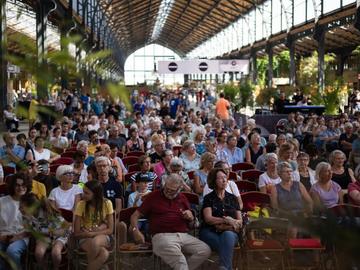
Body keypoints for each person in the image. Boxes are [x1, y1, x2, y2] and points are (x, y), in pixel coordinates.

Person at [130, 173, 211, 270]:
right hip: (161, 236)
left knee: (205, 250)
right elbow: (134, 216)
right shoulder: (153, 196)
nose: (167, 192)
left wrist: (191, 217)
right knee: (180, 261)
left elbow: (192, 224)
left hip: (183, 235)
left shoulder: (182, 198)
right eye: (166, 188)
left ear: (179, 189)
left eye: (172, 191)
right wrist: (135, 230)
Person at [199, 168, 242, 270]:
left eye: (225, 177)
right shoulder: (208, 198)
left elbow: (240, 221)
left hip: (230, 232)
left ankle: (223, 267)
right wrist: (227, 220)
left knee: (227, 236)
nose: (224, 180)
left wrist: (225, 227)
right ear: (214, 181)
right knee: (226, 246)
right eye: (220, 178)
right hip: (210, 231)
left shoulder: (233, 198)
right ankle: (226, 267)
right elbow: (208, 219)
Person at [20, 193, 70, 270]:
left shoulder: (48, 213)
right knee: (39, 253)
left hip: (59, 234)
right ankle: (44, 268)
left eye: (22, 207)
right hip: (44, 235)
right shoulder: (26, 216)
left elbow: (66, 227)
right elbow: (30, 232)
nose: (19, 209)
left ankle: (56, 268)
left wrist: (54, 234)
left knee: (55, 252)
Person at [74, 181, 114, 270]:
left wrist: (91, 234)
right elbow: (76, 233)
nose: (83, 195)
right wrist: (87, 234)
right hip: (85, 237)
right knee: (104, 254)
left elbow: (110, 230)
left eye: (86, 193)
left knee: (95, 242)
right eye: (83, 191)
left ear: (95, 194)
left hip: (102, 235)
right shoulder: (81, 204)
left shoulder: (107, 203)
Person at [270, 162, 313, 237]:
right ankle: (291, 248)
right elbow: (275, 207)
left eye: (290, 171)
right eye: (286, 171)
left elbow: (309, 202)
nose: (289, 173)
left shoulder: (298, 184)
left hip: (301, 214)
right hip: (285, 215)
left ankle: (317, 248)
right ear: (280, 174)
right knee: (293, 225)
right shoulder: (275, 188)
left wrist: (308, 213)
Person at [0, 173, 31, 269]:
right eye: (17, 185)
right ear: (13, 186)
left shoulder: (31, 202)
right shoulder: (2, 201)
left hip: (22, 237)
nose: (21, 188)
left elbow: (34, 227)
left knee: (12, 251)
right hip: (2, 235)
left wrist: (17, 237)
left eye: (23, 185)